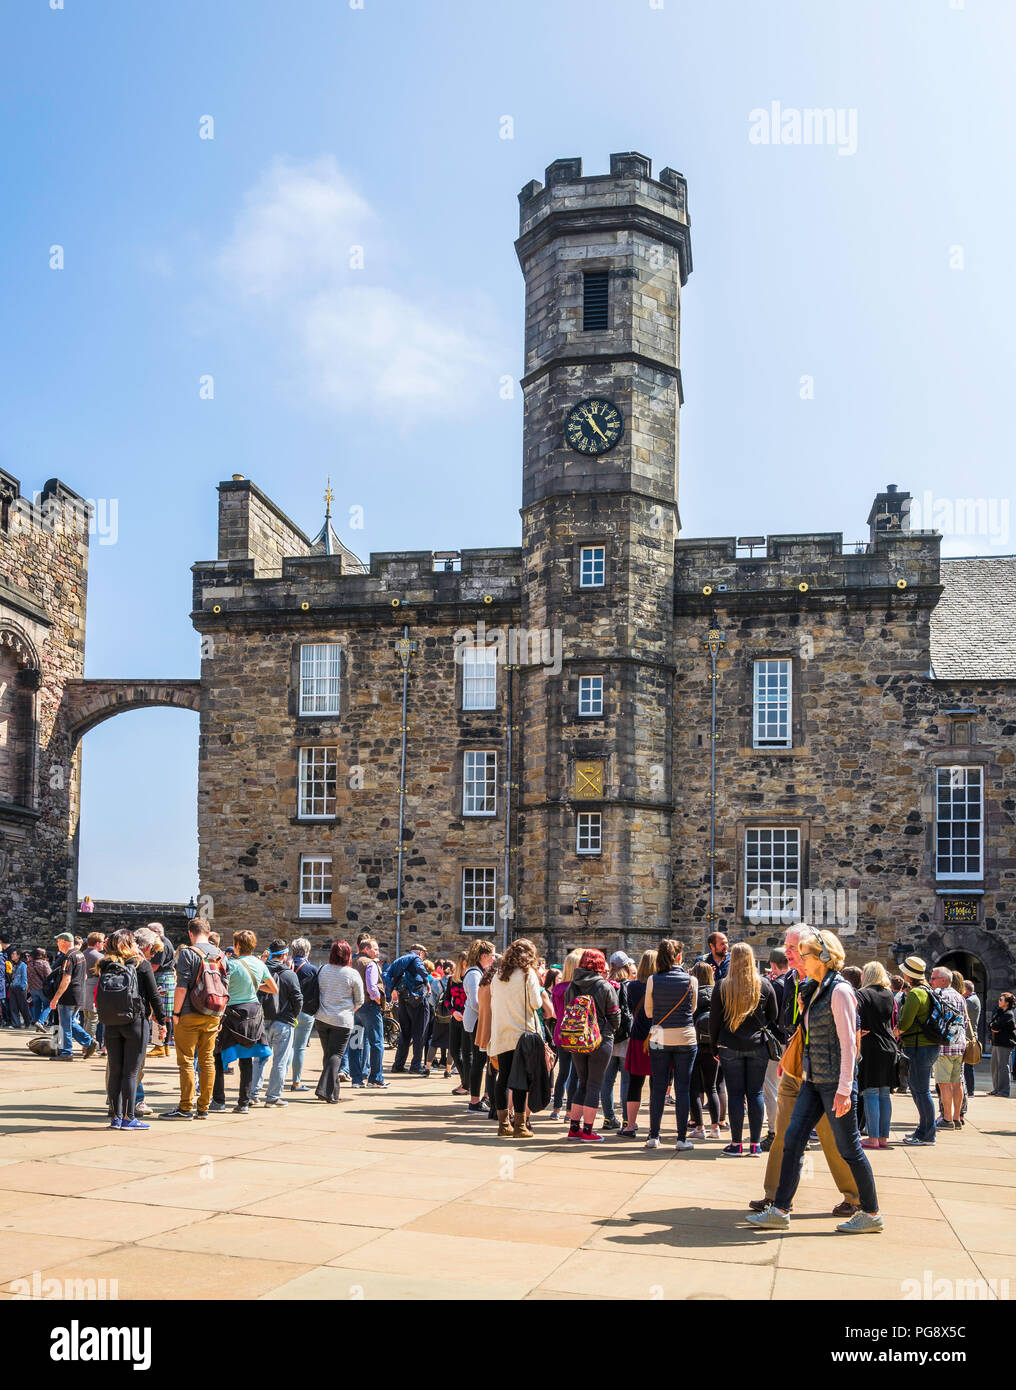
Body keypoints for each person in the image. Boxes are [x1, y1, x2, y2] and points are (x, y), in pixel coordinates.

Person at [746, 928, 884, 1235]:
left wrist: (845, 1090)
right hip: (812, 1080)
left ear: (823, 956)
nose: (800, 959)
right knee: (792, 1139)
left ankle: (871, 1212)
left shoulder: (840, 991)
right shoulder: (814, 988)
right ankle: (780, 1210)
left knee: (849, 1149)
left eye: (804, 954)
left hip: (834, 1083)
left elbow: (849, 1044)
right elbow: (808, 1037)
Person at [709, 941, 776, 1156]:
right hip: (758, 1045)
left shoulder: (722, 986)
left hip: (730, 1045)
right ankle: (755, 1144)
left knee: (736, 1094)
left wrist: (714, 1048)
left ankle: (737, 1143)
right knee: (755, 1093)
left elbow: (714, 1021)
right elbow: (774, 1016)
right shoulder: (764, 984)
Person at [97, 929, 166, 1130]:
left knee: (115, 1070)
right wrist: (162, 1022)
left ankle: (116, 1117)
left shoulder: (105, 965)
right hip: (136, 1022)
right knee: (131, 1072)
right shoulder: (141, 964)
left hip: (111, 1022)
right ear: (129, 944)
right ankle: (128, 1118)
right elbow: (154, 996)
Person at [161, 915, 225, 1120]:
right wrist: (220, 1016)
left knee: (187, 1061)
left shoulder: (188, 953)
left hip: (189, 1013)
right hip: (214, 1013)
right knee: (207, 1060)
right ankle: (204, 1107)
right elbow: (225, 987)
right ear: (208, 932)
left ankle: (186, 1107)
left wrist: (176, 1013)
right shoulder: (222, 955)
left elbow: (181, 987)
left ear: (191, 933)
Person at [212, 930, 277, 1114]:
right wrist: (256, 985)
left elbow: (221, 987)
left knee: (218, 1056)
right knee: (247, 1059)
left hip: (232, 1012)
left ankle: (219, 1101)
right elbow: (273, 989)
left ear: (238, 945)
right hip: (253, 1012)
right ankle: (243, 1103)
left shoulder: (230, 964)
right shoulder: (259, 964)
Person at [643, 938, 698, 1151]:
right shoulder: (690, 980)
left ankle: (653, 1135)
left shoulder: (653, 980)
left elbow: (649, 1012)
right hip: (685, 1036)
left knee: (658, 1086)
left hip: (659, 1035)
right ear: (679, 957)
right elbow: (692, 1009)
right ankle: (681, 1138)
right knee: (682, 1088)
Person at [561, 948, 620, 1144]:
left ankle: (574, 1128)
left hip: (576, 1039)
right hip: (600, 1039)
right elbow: (614, 1015)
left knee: (582, 1082)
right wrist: (610, 1029)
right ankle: (588, 1131)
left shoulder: (572, 986)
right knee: (595, 1084)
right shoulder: (604, 986)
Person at [489, 938, 545, 1138]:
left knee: (502, 1079)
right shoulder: (528, 974)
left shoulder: (498, 975)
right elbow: (536, 1004)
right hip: (521, 1034)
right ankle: (520, 1126)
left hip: (501, 1033)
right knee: (521, 1080)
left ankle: (503, 1124)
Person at [250, 940, 303, 1107]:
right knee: (280, 1061)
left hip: (262, 1020)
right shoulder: (289, 975)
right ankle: (273, 1096)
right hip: (284, 1022)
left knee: (259, 1059)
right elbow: (298, 999)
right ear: (285, 955)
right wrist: (293, 1016)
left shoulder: (261, 970)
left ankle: (252, 1094)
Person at [896, 956, 942, 1145]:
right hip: (927, 1046)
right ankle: (922, 1130)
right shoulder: (927, 990)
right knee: (918, 1090)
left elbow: (905, 1023)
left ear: (908, 974)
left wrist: (892, 1033)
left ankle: (927, 1134)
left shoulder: (915, 994)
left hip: (918, 1047)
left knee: (921, 1091)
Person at [315, 940, 364, 1103]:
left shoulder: (322, 969)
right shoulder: (352, 974)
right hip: (342, 1020)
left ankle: (333, 1094)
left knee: (329, 1055)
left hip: (322, 1017)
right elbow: (360, 1000)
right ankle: (323, 1089)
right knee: (335, 1055)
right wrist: (349, 1011)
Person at [856, 961, 897, 1149]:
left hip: (871, 1046)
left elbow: (856, 1018)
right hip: (889, 1046)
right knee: (884, 1093)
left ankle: (872, 1138)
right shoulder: (889, 994)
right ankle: (882, 1138)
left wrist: (859, 1031)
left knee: (871, 1092)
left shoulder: (862, 994)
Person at [617, 949, 657, 1138]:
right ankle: (653, 1128)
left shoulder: (632, 987)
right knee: (657, 1084)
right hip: (658, 1037)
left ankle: (630, 1125)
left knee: (635, 1083)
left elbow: (632, 1009)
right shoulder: (660, 984)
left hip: (638, 1037)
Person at [929, 965, 968, 1129]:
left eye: (933, 978)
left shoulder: (939, 995)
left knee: (943, 1084)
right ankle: (956, 1117)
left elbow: (934, 1020)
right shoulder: (960, 996)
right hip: (959, 1045)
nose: (930, 981)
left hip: (944, 1045)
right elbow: (965, 1020)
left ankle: (946, 1119)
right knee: (957, 1083)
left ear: (943, 980)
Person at [48, 931, 97, 1060]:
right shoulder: (80, 954)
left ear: (64, 942)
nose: (57, 944)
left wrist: (55, 998)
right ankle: (89, 1042)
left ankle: (67, 1052)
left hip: (68, 996)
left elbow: (66, 980)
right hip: (79, 994)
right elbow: (84, 976)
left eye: (58, 941)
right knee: (70, 1022)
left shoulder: (68, 957)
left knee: (65, 1025)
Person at [385, 944, 432, 1076]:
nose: (423, 958)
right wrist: (427, 982)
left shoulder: (399, 960)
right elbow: (421, 969)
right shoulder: (416, 958)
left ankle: (398, 1065)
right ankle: (416, 1066)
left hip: (402, 999)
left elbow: (386, 974)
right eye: (424, 955)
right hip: (417, 1000)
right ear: (420, 953)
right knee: (420, 1033)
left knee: (405, 1033)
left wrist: (392, 989)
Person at [600, 952, 634, 1129]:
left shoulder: (605, 986)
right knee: (627, 1081)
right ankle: (628, 1120)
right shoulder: (629, 986)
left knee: (607, 1081)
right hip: (626, 1039)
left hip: (608, 1038)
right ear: (626, 967)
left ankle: (609, 1118)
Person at [460, 939, 495, 1114]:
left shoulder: (478, 971)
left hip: (476, 1020)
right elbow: (475, 1002)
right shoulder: (474, 973)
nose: (493, 959)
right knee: (478, 1061)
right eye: (491, 955)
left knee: (481, 1060)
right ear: (483, 956)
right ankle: (474, 1101)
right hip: (476, 1021)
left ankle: (482, 1098)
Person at [349, 935, 388, 1089]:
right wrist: (379, 1000)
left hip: (355, 1008)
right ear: (366, 949)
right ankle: (376, 1078)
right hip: (370, 1007)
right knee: (377, 1042)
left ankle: (356, 1080)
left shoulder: (352, 962)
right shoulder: (370, 964)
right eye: (375, 949)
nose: (377, 952)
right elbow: (372, 988)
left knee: (355, 1043)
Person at [688, 960, 720, 1140]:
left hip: (694, 1044)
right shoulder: (717, 993)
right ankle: (715, 1128)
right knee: (712, 1087)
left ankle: (699, 1127)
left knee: (695, 1088)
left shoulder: (691, 993)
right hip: (713, 1046)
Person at [763, 947, 791, 1147]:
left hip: (775, 1043)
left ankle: (774, 1131)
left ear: (773, 965)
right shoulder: (799, 983)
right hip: (796, 1041)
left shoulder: (773, 986)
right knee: (792, 1090)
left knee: (771, 1088)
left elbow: (769, 1017)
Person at [550, 949, 583, 1120]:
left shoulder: (558, 988)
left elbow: (556, 1012)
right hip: (575, 1034)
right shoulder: (578, 988)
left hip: (560, 1032)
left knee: (563, 1072)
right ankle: (570, 1111)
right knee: (576, 1074)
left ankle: (556, 1109)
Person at [289, 937, 318, 1092]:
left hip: (286, 1013)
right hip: (305, 1012)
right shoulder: (311, 969)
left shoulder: (286, 966)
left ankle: (278, 1080)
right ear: (307, 951)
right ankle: (296, 1082)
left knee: (287, 1048)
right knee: (299, 1048)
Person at [146, 923, 177, 1056]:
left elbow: (155, 966)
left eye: (149, 932)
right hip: (166, 977)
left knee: (158, 1014)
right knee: (165, 1015)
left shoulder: (161, 944)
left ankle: (159, 1046)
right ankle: (164, 1046)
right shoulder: (166, 942)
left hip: (162, 977)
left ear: (156, 932)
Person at [446, 951, 469, 1095]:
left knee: (467, 1054)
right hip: (455, 1017)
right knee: (454, 1051)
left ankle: (466, 1084)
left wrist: (466, 1012)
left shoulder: (473, 977)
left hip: (469, 1018)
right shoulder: (452, 979)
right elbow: (447, 999)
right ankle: (465, 1081)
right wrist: (453, 1012)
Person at [425, 959, 451, 1074]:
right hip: (452, 1017)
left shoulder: (436, 982)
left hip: (438, 1017)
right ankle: (448, 1070)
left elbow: (431, 1001)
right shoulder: (456, 982)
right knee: (451, 1044)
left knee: (434, 1042)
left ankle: (427, 1068)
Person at [989, 994, 1016, 1096]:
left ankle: (1003, 1091)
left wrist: (994, 1026)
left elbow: (996, 1025)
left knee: (1003, 1067)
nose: (999, 1001)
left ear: (1007, 1003)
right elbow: (991, 1025)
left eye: (1001, 1000)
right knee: (994, 1066)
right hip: (996, 1043)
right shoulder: (1000, 1012)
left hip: (1004, 1044)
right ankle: (996, 1089)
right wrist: (993, 1026)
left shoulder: (1009, 1014)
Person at [80, 932, 104, 1040]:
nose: (103, 944)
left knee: (86, 1017)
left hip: (83, 985)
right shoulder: (99, 957)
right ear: (97, 943)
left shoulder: (81, 954)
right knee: (93, 1018)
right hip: (94, 986)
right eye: (102, 942)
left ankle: (86, 1044)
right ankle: (88, 1044)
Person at [962, 980, 980, 1097]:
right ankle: (969, 1089)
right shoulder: (974, 999)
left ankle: (970, 1090)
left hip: (968, 1037)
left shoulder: (970, 1001)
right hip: (968, 1036)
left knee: (968, 1066)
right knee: (967, 1066)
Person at [6, 950, 31, 1029]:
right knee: (13, 1006)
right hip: (12, 987)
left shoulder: (23, 965)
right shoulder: (12, 964)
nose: (12, 955)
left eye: (14, 954)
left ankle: (27, 1022)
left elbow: (24, 977)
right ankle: (16, 1024)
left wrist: (23, 987)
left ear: (18, 955)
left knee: (23, 1007)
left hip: (20, 988)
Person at [27, 948, 52, 1025]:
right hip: (43, 989)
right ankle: (40, 1021)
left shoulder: (29, 964)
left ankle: (36, 1022)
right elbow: (49, 976)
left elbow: (28, 977)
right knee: (48, 1005)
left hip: (32, 989)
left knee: (36, 1006)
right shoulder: (44, 963)